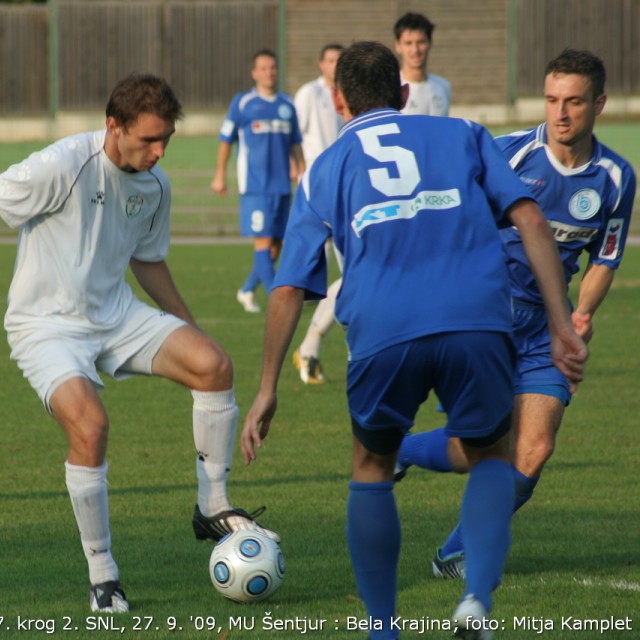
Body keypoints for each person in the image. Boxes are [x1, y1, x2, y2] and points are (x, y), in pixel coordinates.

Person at [240, 41, 587, 639]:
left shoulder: (325, 168)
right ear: (403, 94)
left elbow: (289, 287)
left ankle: (382, 628)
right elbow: (530, 220)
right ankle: (476, 597)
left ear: (338, 99)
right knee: (489, 456)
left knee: (372, 466)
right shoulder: (463, 134)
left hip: (383, 327)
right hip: (477, 317)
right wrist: (562, 324)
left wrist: (268, 387)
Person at [0, 74, 277, 614]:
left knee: (214, 365)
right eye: (148, 139)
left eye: (166, 138)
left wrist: (190, 327)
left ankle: (211, 505)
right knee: (91, 424)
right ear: (113, 126)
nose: (159, 150)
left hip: (116, 315)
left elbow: (147, 260)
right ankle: (103, 575)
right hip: (45, 325)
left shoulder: (156, 185)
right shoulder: (62, 165)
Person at [394, 49, 636, 581]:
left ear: (599, 103)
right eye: (552, 100)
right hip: (487, 316)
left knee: (535, 448)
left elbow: (604, 259)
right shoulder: (508, 154)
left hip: (549, 327)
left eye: (574, 101)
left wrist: (583, 315)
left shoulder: (616, 179)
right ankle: (404, 450)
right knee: (485, 445)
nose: (560, 113)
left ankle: (453, 553)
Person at [212, 49, 305, 314]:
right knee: (263, 243)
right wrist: (220, 175)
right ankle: (279, 301)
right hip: (255, 188)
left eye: (273, 67)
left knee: (276, 246)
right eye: (263, 68)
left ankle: (246, 290)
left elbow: (296, 143)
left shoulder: (287, 105)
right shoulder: (242, 103)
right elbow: (225, 140)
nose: (269, 72)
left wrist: (302, 172)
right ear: (254, 73)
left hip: (282, 188)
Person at [291, 44, 344, 384]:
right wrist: (296, 172)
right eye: (330, 60)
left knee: (355, 274)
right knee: (353, 273)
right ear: (320, 63)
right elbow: (296, 137)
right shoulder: (309, 93)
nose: (335, 66)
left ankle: (309, 348)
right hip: (321, 189)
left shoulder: (441, 88)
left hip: (347, 184)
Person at [394, 12, 451, 116]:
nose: (415, 50)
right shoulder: (393, 87)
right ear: (398, 46)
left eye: (421, 42)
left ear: (430, 43)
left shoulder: (443, 86)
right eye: (408, 43)